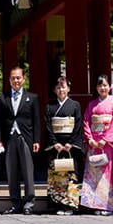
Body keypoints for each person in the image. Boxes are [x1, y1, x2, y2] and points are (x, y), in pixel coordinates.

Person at [80, 74, 113, 216]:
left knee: (108, 175)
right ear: (96, 88)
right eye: (100, 85)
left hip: (108, 145)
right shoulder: (91, 105)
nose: (103, 88)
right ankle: (95, 204)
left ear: (110, 87)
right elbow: (86, 122)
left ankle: (108, 206)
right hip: (95, 144)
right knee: (95, 175)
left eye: (105, 85)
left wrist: (105, 139)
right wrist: (90, 139)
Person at [0, 66, 40, 215]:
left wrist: (36, 140)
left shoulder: (32, 98)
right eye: (13, 78)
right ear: (9, 80)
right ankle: (15, 203)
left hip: (26, 137)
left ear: (23, 79)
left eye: (18, 77)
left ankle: (29, 203)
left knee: (28, 171)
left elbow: (36, 121)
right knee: (12, 171)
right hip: (9, 138)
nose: (16, 80)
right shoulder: (3, 98)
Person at [44, 75, 83, 215]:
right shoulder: (50, 106)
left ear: (68, 88)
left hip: (70, 146)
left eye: (64, 87)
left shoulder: (75, 105)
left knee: (71, 177)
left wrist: (70, 143)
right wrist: (55, 143)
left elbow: (78, 125)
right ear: (55, 90)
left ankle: (70, 205)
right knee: (57, 177)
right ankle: (58, 205)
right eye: (58, 87)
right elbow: (48, 126)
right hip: (56, 146)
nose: (61, 90)